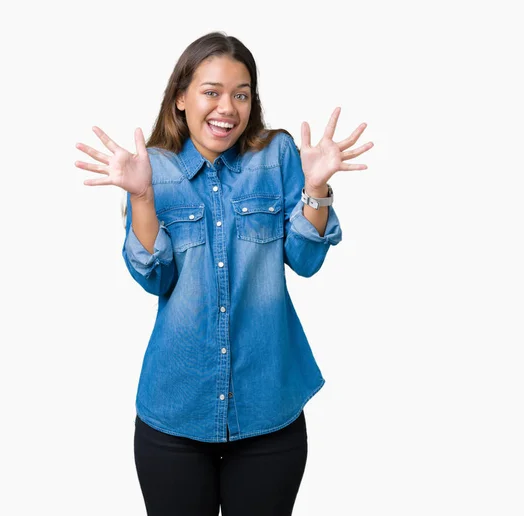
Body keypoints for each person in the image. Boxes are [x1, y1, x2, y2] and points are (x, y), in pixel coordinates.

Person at [74, 31, 373, 516]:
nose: (227, 107)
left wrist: (315, 186)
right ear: (180, 98)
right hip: (175, 410)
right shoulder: (152, 170)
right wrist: (143, 197)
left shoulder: (275, 156)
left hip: (268, 407)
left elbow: (306, 259)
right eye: (211, 92)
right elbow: (155, 278)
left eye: (241, 93)